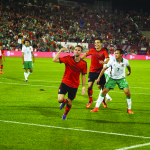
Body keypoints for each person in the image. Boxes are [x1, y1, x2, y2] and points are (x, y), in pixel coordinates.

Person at [90, 49, 134, 114]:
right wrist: (98, 78)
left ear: (121, 54)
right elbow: (104, 69)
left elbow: (128, 66)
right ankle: (96, 107)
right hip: (112, 78)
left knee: (127, 92)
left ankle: (129, 109)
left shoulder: (125, 61)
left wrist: (129, 72)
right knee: (104, 91)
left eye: (117, 53)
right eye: (115, 53)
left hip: (121, 78)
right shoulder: (111, 61)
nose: (115, 54)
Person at [53, 45, 87, 120]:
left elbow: (83, 75)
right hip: (65, 82)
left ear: (81, 52)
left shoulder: (84, 63)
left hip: (74, 85)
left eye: (78, 50)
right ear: (73, 51)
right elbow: (54, 60)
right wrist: (60, 50)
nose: (77, 51)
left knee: (70, 101)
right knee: (60, 100)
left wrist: (84, 87)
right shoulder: (68, 58)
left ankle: (65, 114)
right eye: (75, 50)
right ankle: (63, 102)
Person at [81, 38, 109, 109]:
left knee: (103, 88)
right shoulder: (92, 50)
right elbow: (85, 55)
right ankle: (90, 100)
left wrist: (104, 62)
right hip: (92, 71)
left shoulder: (104, 51)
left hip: (100, 72)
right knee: (89, 86)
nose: (96, 44)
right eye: (95, 43)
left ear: (101, 43)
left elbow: (107, 58)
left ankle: (103, 100)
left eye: (98, 42)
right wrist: (79, 60)